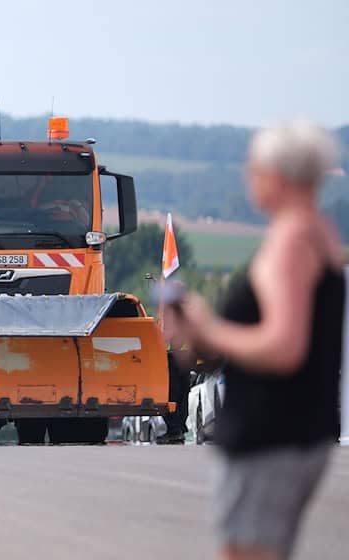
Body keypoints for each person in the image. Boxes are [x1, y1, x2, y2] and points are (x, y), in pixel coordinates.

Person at [168, 121, 342, 560]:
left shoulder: (290, 242)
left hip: (271, 434)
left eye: (253, 168)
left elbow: (284, 346)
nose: (248, 177)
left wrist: (210, 328)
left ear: (275, 176)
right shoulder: (319, 233)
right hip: (300, 431)